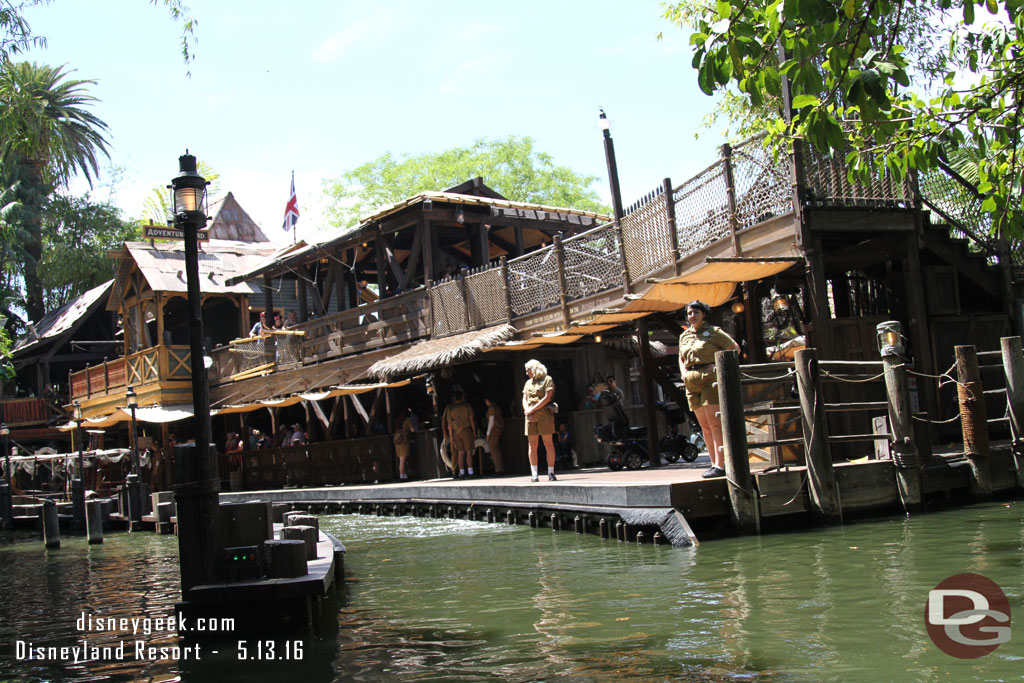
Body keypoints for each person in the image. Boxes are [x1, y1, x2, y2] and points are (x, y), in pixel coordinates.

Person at [678, 300, 740, 479]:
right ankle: (713, 464)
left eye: (696, 312)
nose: (692, 316)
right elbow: (681, 357)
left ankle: (721, 464)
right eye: (689, 313)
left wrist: (718, 366)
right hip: (691, 380)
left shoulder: (714, 332)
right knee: (704, 425)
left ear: (703, 314)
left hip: (709, 379)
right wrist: (683, 373)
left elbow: (734, 348)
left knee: (714, 423)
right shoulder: (685, 336)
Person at [522, 358, 557, 482]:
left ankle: (551, 473)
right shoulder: (528, 383)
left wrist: (532, 410)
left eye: (528, 370)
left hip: (544, 415)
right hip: (530, 417)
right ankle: (534, 474)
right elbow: (524, 399)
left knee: (548, 443)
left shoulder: (547, 380)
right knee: (532, 445)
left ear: (534, 369)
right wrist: (527, 411)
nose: (527, 373)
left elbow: (547, 398)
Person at [442, 390, 477, 479]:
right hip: (466, 430)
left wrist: (451, 435)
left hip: (455, 432)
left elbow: (449, 423)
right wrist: (474, 431)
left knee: (460, 452)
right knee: (469, 451)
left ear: (454, 398)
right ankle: (470, 472)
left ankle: (462, 473)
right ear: (462, 397)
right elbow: (472, 419)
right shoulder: (467, 406)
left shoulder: (450, 409)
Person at [483, 396, 505, 474]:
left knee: (494, 449)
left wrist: (488, 433)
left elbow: (491, 421)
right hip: (498, 429)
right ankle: (499, 467)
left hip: (494, 430)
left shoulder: (491, 408)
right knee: (496, 448)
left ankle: (499, 469)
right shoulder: (497, 407)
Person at [392, 408, 415, 480]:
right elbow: (412, 429)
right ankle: (402, 475)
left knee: (401, 459)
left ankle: (404, 474)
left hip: (397, 440)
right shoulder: (407, 420)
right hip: (403, 441)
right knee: (402, 460)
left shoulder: (398, 420)